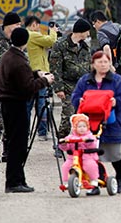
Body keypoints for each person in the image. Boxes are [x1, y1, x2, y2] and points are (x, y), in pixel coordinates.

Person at [0, 27, 54, 193]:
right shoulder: (19, 61)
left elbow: (21, 79)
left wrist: (35, 73)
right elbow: (27, 88)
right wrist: (45, 81)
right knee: (18, 144)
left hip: (8, 104)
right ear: (25, 41)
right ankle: (14, 182)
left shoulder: (9, 55)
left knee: (16, 142)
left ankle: (18, 180)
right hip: (16, 105)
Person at [72, 51, 121, 193]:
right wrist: (78, 101)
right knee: (91, 155)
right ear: (93, 65)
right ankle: (95, 182)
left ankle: (119, 175)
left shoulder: (117, 80)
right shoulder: (85, 81)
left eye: (105, 62)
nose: (103, 65)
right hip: (88, 124)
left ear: (109, 64)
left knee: (114, 153)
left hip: (110, 122)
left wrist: (116, 101)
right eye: (99, 62)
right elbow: (75, 95)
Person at [49, 18, 92, 152]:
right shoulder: (61, 45)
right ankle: (61, 142)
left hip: (83, 86)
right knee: (68, 115)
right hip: (67, 85)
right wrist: (58, 88)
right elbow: (55, 68)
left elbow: (89, 67)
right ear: (81, 32)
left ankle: (81, 142)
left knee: (84, 117)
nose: (88, 35)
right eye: (87, 32)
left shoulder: (85, 47)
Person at [0, 12, 22, 163]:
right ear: (8, 25)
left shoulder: (16, 42)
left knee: (13, 118)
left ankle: (8, 150)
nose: (19, 27)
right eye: (17, 24)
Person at [25, 15, 58, 141]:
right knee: (41, 104)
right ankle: (42, 132)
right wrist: (53, 32)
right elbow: (51, 41)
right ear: (33, 24)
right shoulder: (33, 35)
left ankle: (26, 131)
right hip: (40, 75)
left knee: (28, 105)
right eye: (37, 26)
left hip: (30, 74)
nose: (39, 29)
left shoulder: (28, 36)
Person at [59, 114, 100, 196]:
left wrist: (88, 141)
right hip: (73, 158)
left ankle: (94, 180)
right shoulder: (71, 137)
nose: (82, 128)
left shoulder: (89, 136)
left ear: (87, 127)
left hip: (87, 156)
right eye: (79, 126)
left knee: (90, 165)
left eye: (84, 126)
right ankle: (66, 182)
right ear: (74, 128)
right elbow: (66, 147)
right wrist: (63, 143)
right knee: (66, 166)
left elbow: (93, 144)